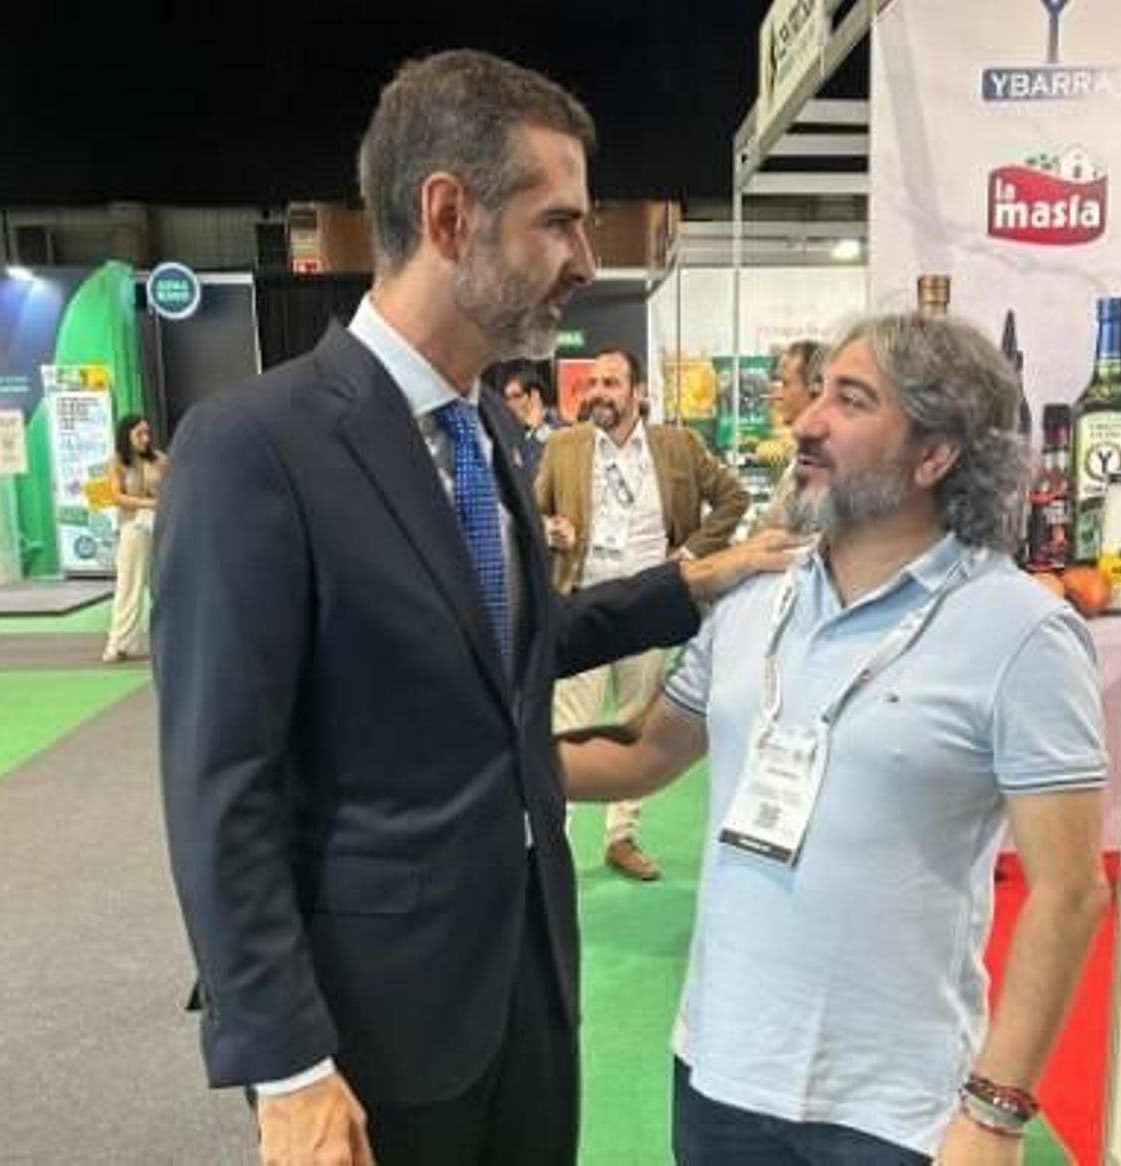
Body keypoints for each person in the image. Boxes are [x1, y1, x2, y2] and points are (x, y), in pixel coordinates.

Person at [153, 49, 798, 1166]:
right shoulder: (256, 448)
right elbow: (220, 784)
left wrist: (688, 585)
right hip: (371, 1025)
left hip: (528, 984)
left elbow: (503, 650)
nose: (585, 261)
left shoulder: (491, 432)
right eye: (560, 223)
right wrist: (288, 1064)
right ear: (449, 215)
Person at [560, 313, 1111, 1165]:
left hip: (895, 1109)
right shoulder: (754, 596)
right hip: (719, 1076)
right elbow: (641, 753)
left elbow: (1070, 893)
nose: (807, 422)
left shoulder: (1021, 632)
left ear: (935, 455)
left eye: (851, 401)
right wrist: (469, 756)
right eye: (816, 393)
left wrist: (995, 1114)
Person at [536, 347, 748, 880]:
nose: (598, 393)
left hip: (648, 609)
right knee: (566, 725)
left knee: (637, 726)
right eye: (593, 383)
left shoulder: (678, 446)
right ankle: (553, 840)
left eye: (611, 383)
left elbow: (733, 499)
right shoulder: (564, 446)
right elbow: (530, 511)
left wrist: (692, 554)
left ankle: (621, 837)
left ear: (638, 392)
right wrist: (549, 529)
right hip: (581, 609)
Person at [103, 414, 167, 663]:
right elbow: (116, 496)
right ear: (126, 435)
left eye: (147, 433)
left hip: (161, 526)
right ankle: (119, 644)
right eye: (139, 433)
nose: (145, 438)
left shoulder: (159, 459)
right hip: (133, 527)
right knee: (129, 586)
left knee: (164, 585)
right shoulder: (117, 461)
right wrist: (148, 503)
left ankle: (171, 640)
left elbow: (175, 484)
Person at [758, 338, 826, 528]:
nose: (777, 394)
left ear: (815, 390)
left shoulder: (824, 465)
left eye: (785, 383)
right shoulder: (803, 454)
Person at [500, 365, 556, 477]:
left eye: (516, 396)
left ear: (534, 397)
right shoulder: (507, 433)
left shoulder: (558, 431)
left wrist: (533, 426)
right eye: (507, 398)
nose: (509, 404)